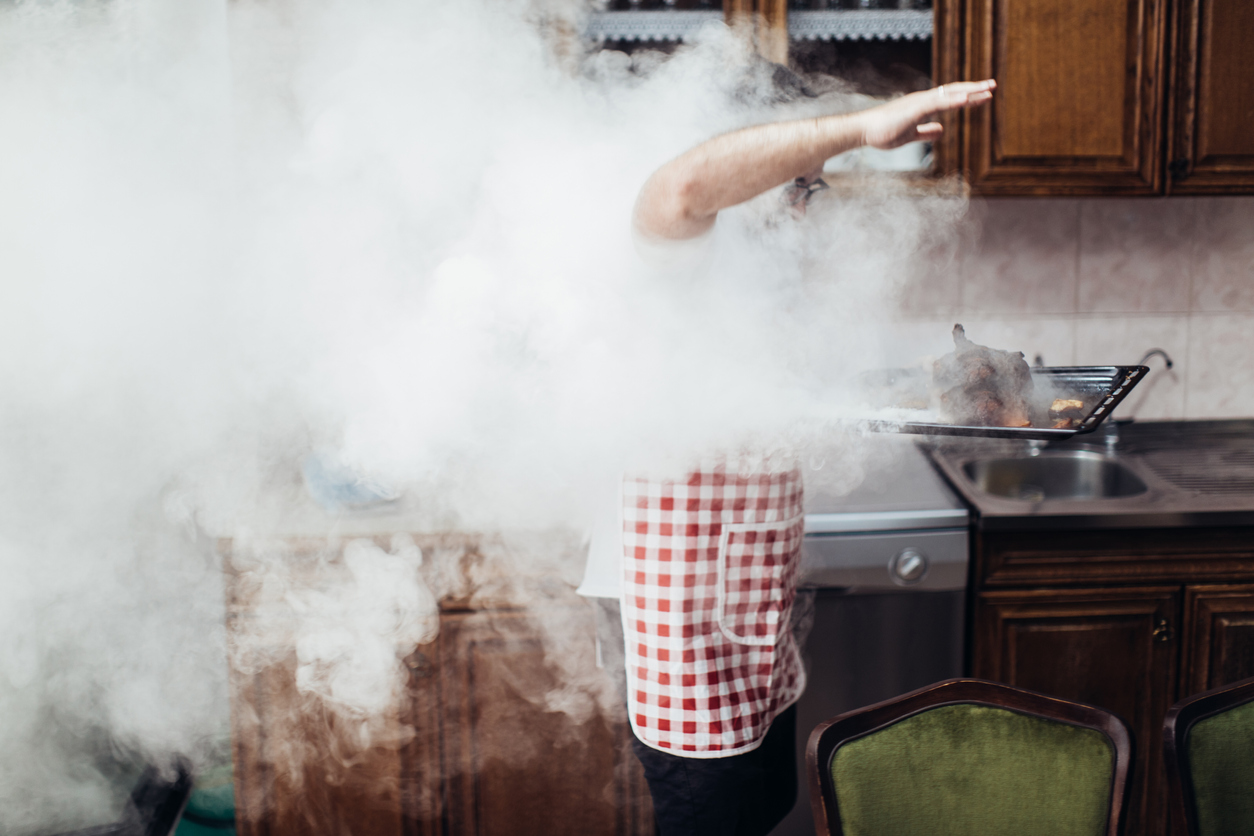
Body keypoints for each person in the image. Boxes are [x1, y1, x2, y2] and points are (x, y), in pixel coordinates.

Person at [579, 78, 996, 836]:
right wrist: (862, 127)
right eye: (798, 185)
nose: (809, 206)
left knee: (765, 806)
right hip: (684, 625)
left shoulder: (757, 281)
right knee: (714, 821)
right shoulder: (674, 249)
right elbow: (684, 183)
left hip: (744, 612)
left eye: (814, 189)